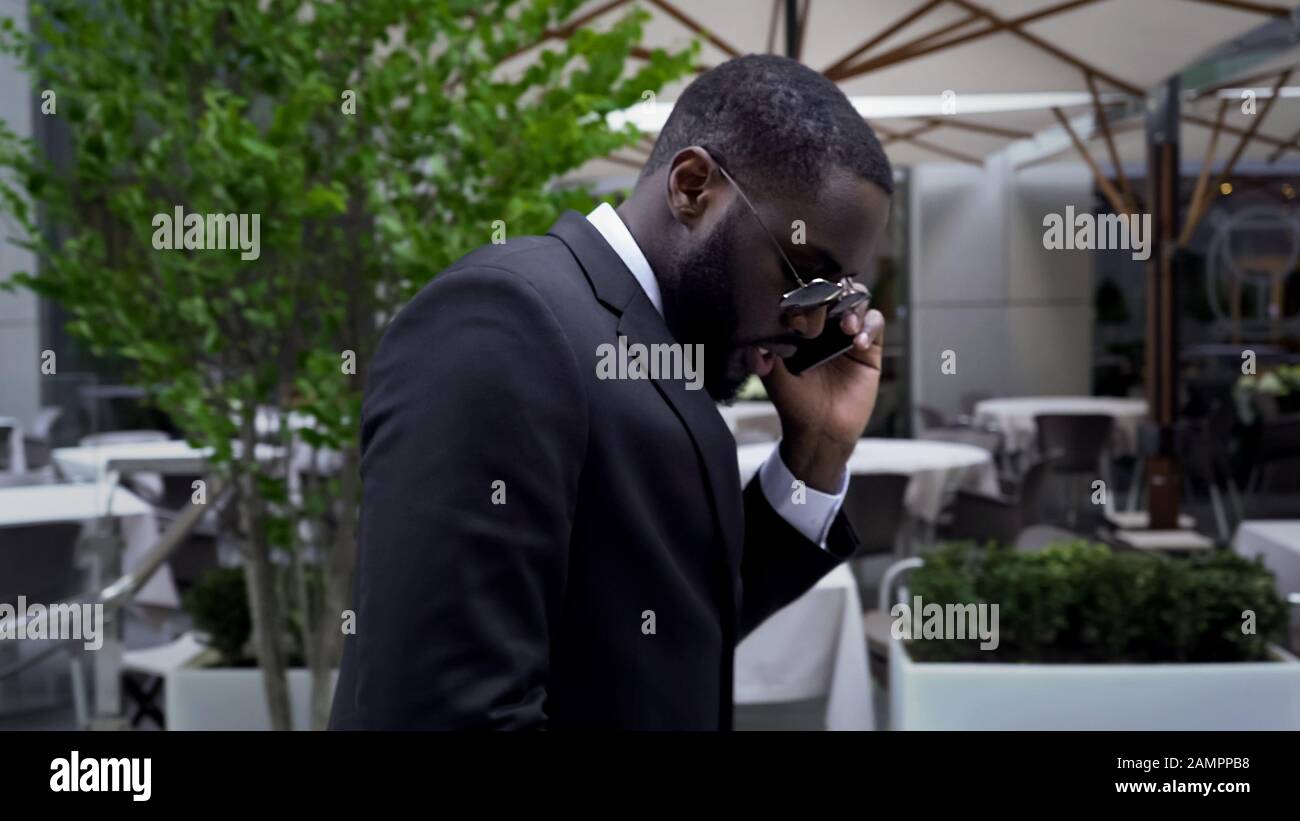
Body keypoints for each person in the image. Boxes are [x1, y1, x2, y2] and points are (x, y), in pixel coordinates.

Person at [329, 54, 893, 730]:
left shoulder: (650, 344)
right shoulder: (507, 319)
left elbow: (665, 635)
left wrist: (817, 456)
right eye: (803, 272)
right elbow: (445, 713)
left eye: (834, 294)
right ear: (691, 186)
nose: (807, 321)